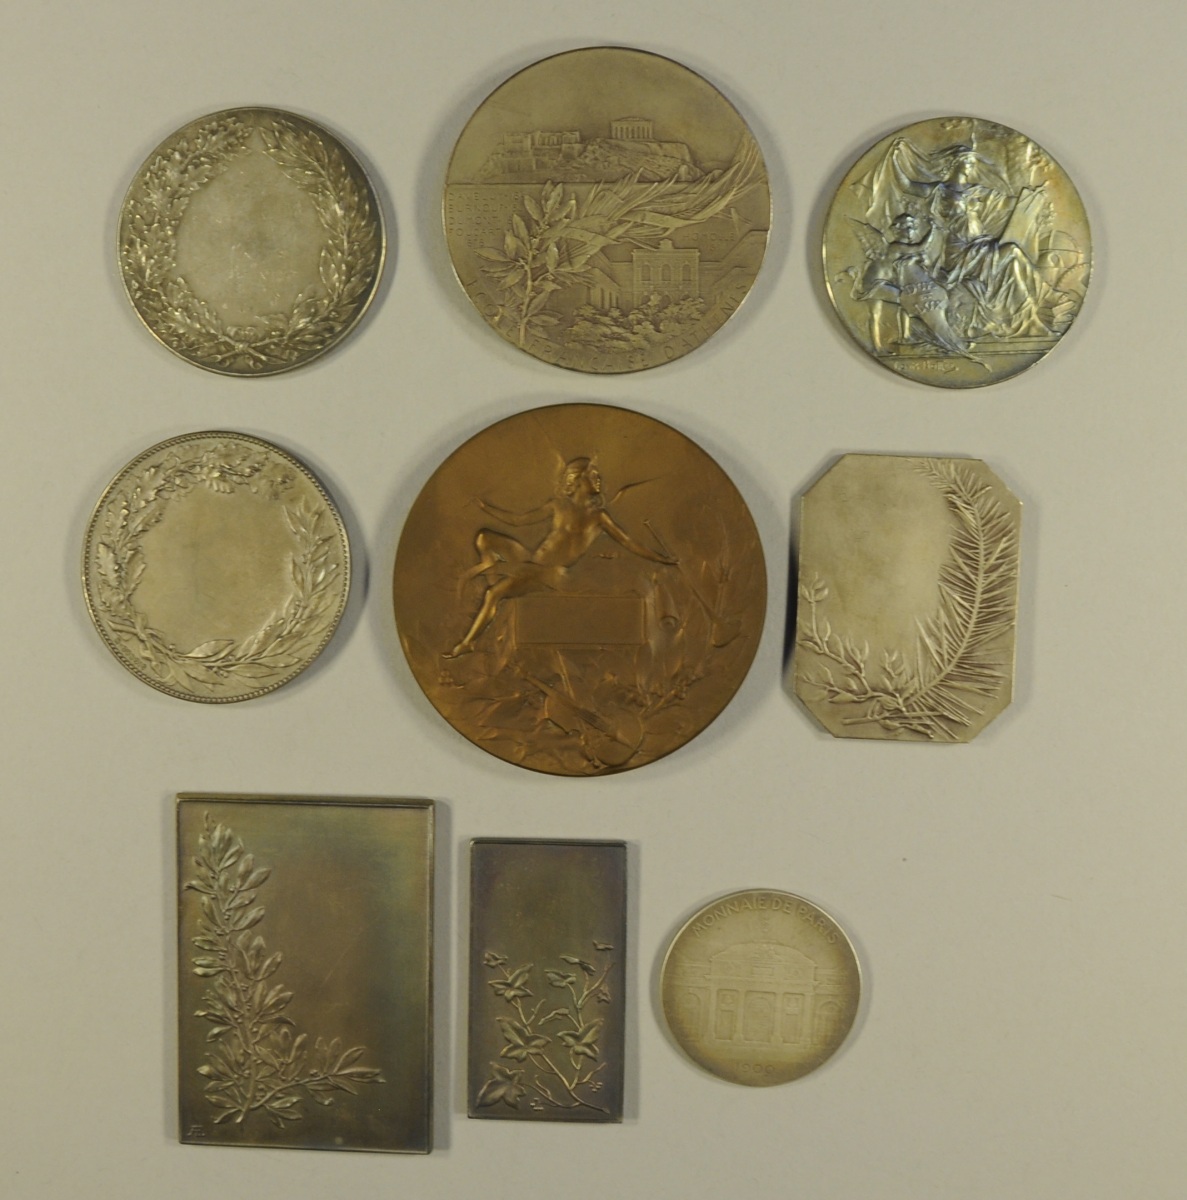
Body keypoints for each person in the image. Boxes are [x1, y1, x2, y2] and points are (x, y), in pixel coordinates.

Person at [445, 456, 677, 657]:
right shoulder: (557, 505)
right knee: (484, 537)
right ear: (577, 481)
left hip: (548, 574)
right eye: (593, 475)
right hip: (532, 561)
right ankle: (491, 566)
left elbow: (628, 542)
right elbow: (518, 520)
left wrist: (660, 558)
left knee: (493, 593)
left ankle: (468, 643)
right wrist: (485, 508)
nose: (599, 479)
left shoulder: (598, 517)